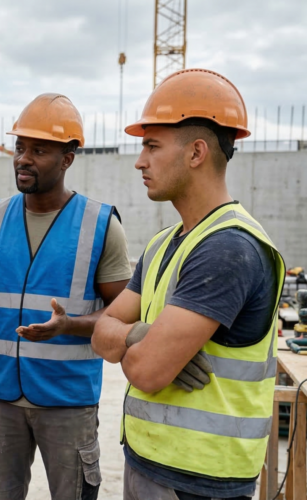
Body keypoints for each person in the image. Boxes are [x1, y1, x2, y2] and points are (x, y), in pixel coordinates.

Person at [91, 69, 285, 500]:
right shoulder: (165, 244)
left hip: (201, 480)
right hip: (147, 459)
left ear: (196, 152)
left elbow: (146, 370)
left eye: (152, 146)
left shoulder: (228, 250)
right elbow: (101, 335)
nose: (140, 161)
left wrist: (133, 346)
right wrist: (138, 334)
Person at [0, 93, 131, 500]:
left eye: (39, 150)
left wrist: (70, 326)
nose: (23, 159)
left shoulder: (99, 225)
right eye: (20, 147)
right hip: (0, 396)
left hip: (68, 398)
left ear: (67, 159)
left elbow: (124, 316)